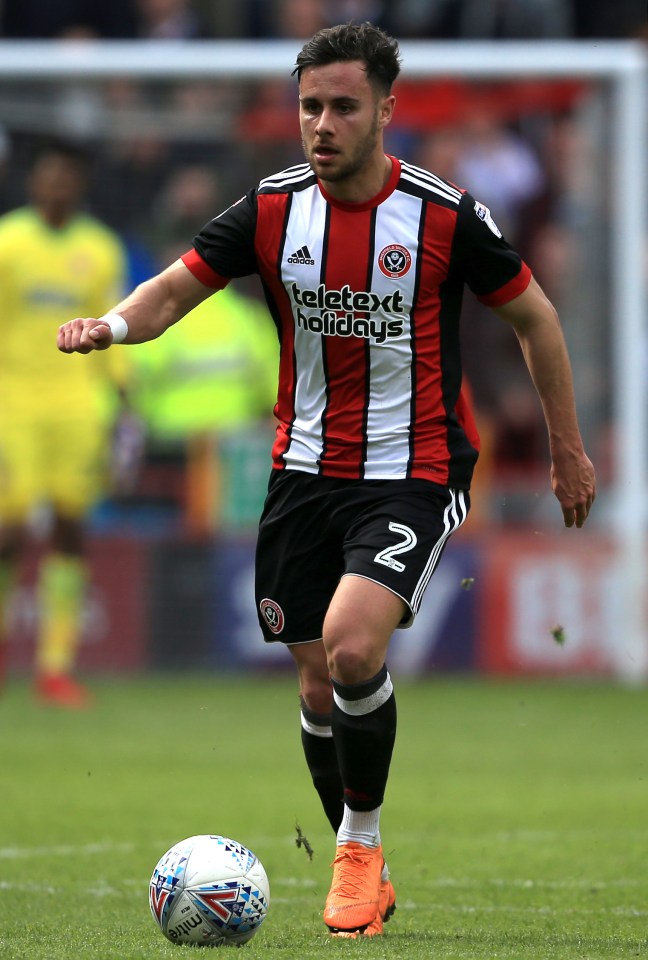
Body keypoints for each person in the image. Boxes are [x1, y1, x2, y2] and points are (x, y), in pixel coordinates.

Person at [57, 21, 596, 936]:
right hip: (303, 469)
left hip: (416, 467)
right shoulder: (270, 210)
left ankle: (358, 848)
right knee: (316, 685)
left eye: (344, 106)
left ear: (387, 110)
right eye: (311, 106)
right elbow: (173, 292)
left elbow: (537, 321)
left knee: (351, 647)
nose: (323, 123)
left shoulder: (443, 215)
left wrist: (567, 448)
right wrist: (107, 326)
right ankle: (360, 852)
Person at [0, 141, 129, 707]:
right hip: (13, 402)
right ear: (35, 182)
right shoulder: (8, 241)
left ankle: (55, 666)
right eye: (48, 177)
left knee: (72, 526)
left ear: (77, 187)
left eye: (66, 180)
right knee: (6, 530)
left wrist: (124, 397)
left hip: (78, 402)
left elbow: (117, 324)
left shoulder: (99, 250)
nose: (57, 188)